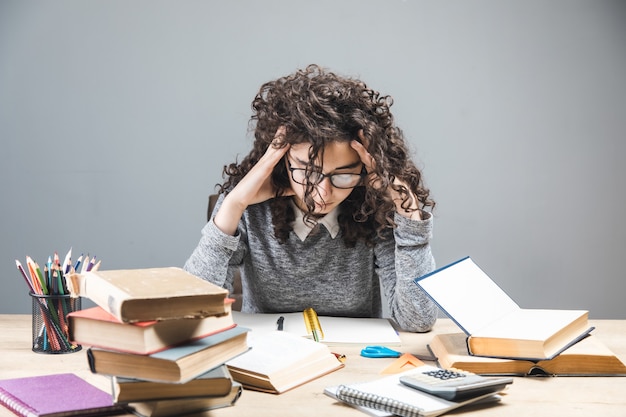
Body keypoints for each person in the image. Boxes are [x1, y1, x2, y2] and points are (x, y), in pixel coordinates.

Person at [184, 64, 437, 332]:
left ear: (365, 170)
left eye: (343, 175)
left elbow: (418, 320)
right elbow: (191, 313)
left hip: (354, 362)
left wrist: (408, 211)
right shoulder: (249, 211)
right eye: (308, 172)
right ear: (282, 161)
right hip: (267, 360)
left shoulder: (373, 209)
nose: (322, 193)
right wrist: (233, 205)